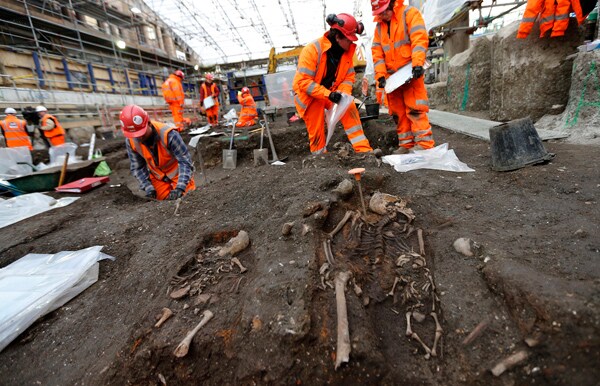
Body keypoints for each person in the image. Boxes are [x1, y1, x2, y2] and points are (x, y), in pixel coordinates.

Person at [293, 13, 373, 154]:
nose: (351, 44)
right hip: (310, 97)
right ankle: (321, 160)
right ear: (337, 37)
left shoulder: (345, 53)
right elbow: (304, 83)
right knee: (317, 130)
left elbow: (348, 77)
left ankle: (364, 151)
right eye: (349, 40)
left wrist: (343, 94)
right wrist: (328, 95)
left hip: (331, 93)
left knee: (349, 108)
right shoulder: (312, 50)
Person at [371, 0, 434, 154]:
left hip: (411, 73)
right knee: (398, 114)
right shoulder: (380, 27)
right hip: (393, 79)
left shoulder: (409, 14)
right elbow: (377, 53)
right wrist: (380, 75)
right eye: (379, 13)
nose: (383, 15)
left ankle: (424, 145)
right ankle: (406, 145)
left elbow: (419, 39)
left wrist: (418, 63)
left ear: (393, 4)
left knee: (415, 109)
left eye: (385, 11)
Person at [120, 104, 196, 201]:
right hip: (158, 178)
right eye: (135, 135)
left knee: (189, 200)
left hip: (179, 175)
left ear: (149, 123)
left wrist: (180, 187)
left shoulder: (169, 135)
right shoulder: (131, 141)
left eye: (141, 133)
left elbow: (185, 161)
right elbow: (138, 168)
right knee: (160, 204)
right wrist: (148, 187)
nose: (139, 138)